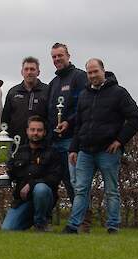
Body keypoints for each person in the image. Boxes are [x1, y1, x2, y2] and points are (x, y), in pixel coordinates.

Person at [62, 58, 138, 234]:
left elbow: (135, 118)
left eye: (95, 71)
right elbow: (79, 125)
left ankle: (113, 226)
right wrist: (73, 148)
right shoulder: (84, 95)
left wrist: (120, 140)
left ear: (103, 71)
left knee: (111, 191)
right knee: (80, 190)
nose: (92, 75)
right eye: (89, 73)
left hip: (108, 151)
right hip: (85, 151)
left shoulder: (119, 93)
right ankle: (73, 226)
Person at [2, 115, 63, 232]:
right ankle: (30, 220)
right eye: (32, 130)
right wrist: (2, 173)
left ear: (44, 132)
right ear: (27, 131)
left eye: (39, 130)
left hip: (44, 199)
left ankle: (41, 223)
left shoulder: (52, 153)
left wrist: (32, 184)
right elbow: (11, 174)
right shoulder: (18, 152)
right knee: (7, 229)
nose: (35, 133)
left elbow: (54, 178)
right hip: (23, 201)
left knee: (41, 189)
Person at [47, 42, 88, 205]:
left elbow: (85, 106)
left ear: (68, 56)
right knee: (60, 180)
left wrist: (68, 122)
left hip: (72, 141)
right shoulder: (53, 83)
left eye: (60, 55)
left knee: (76, 182)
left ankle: (83, 220)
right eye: (54, 57)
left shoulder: (80, 77)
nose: (57, 59)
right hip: (55, 141)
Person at [1, 56, 49, 144]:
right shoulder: (13, 92)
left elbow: (52, 117)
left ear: (38, 72)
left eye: (32, 69)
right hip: (17, 143)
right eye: (26, 69)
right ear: (22, 72)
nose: (29, 72)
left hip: (42, 144)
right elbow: (5, 118)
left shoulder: (48, 91)